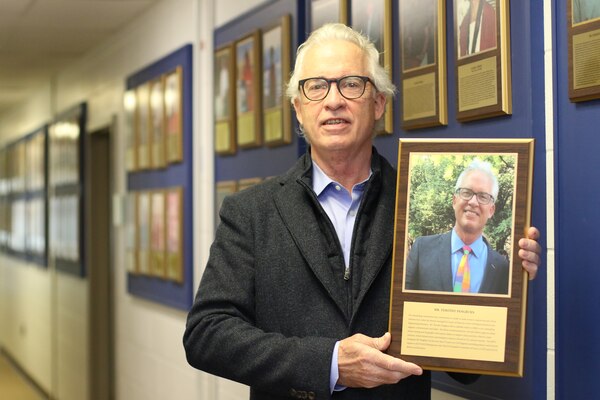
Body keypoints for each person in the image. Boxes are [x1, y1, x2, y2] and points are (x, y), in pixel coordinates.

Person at [184, 23, 541, 399]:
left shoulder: (412, 212)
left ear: (379, 104)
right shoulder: (251, 213)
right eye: (316, 86)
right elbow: (207, 334)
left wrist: (506, 285)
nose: (333, 100)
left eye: (351, 84)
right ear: (298, 108)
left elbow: (463, 367)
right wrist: (330, 362)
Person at [405, 160, 510, 294]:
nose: (473, 202)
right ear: (454, 200)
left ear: (491, 210)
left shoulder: (502, 268)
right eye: (467, 192)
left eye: (483, 196)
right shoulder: (422, 250)